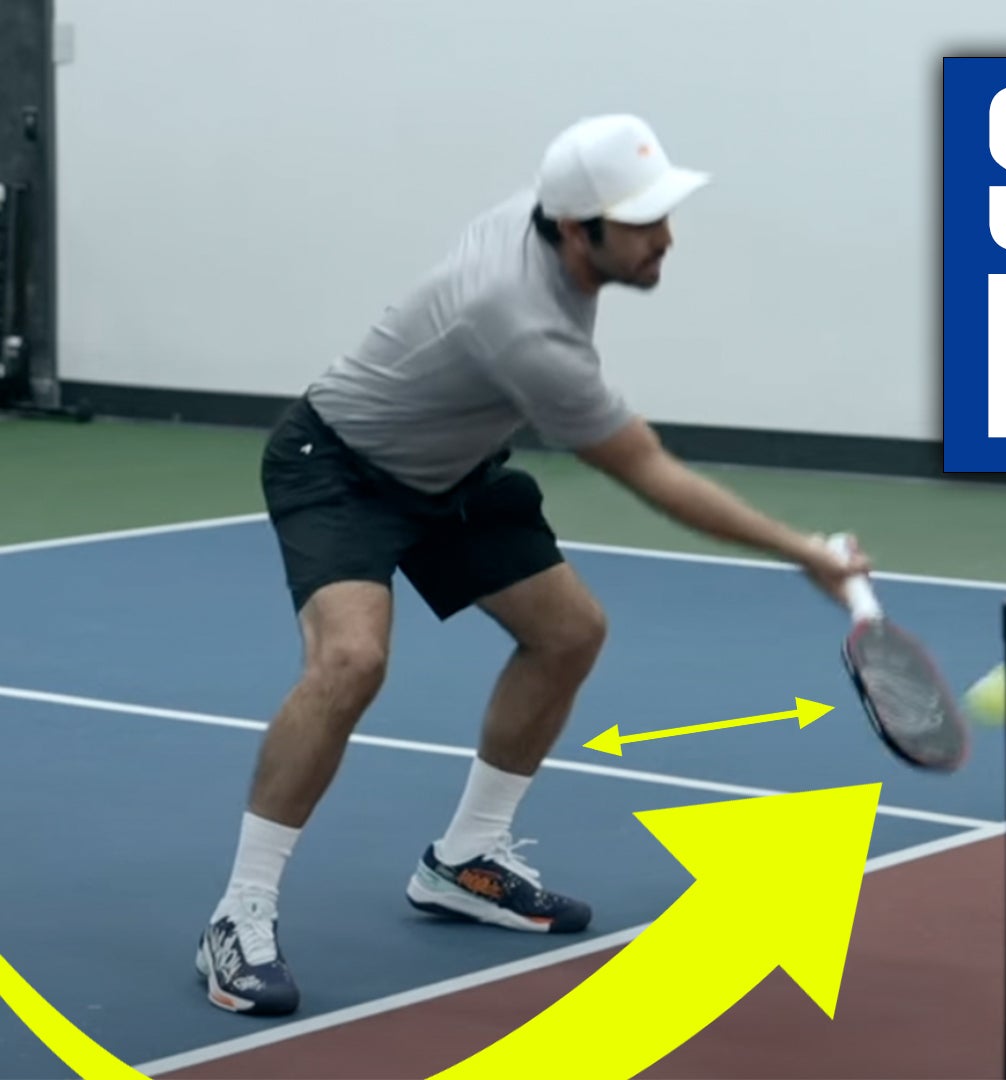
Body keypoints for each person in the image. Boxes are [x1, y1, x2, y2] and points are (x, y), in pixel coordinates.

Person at [194, 113, 870, 1017]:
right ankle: (239, 914)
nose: (667, 236)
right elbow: (651, 474)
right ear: (578, 229)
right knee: (351, 660)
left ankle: (465, 859)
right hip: (341, 466)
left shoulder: (545, 217)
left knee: (568, 633)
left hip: (454, 466)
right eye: (643, 221)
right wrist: (805, 554)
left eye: (665, 212)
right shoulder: (520, 324)